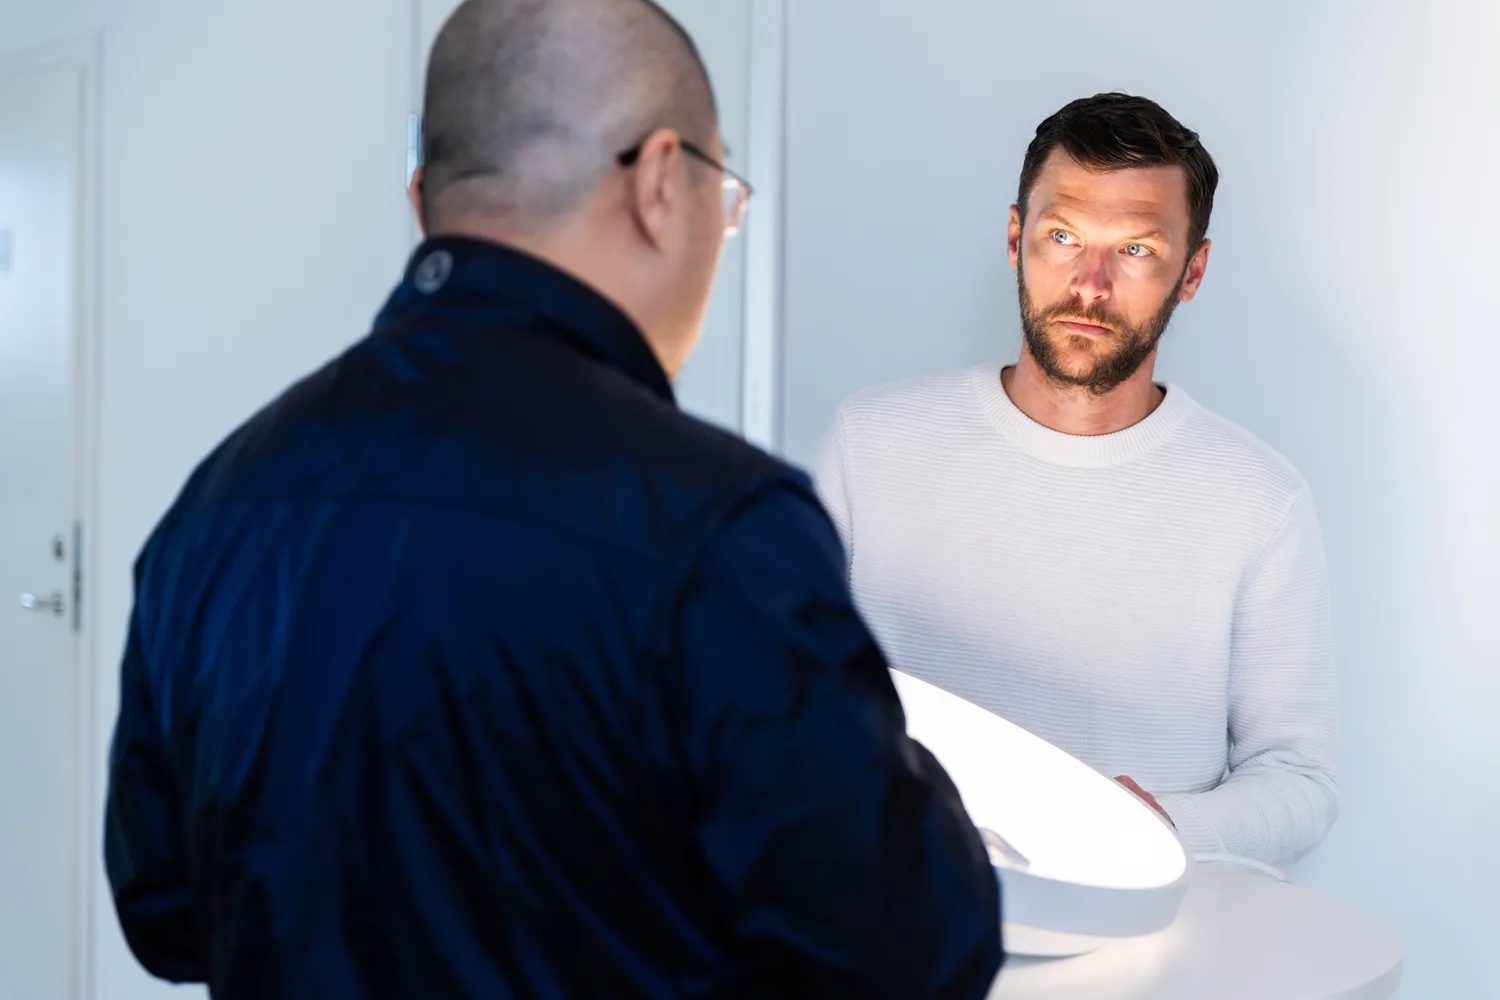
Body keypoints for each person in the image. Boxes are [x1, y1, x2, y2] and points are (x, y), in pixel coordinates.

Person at [102, 1, 1003, 997]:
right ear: (663, 181)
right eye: (726, 197)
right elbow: (906, 952)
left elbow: (165, 915)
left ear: (424, 200)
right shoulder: (718, 527)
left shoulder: (215, 513)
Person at [813, 93, 1338, 868]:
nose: (1089, 284)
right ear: (1016, 238)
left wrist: (1153, 826)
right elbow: (782, 694)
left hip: (1148, 951)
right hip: (894, 928)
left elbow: (1299, 780)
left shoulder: (1259, 500)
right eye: (1062, 236)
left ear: (1192, 272)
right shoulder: (871, 444)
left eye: (1135, 250)